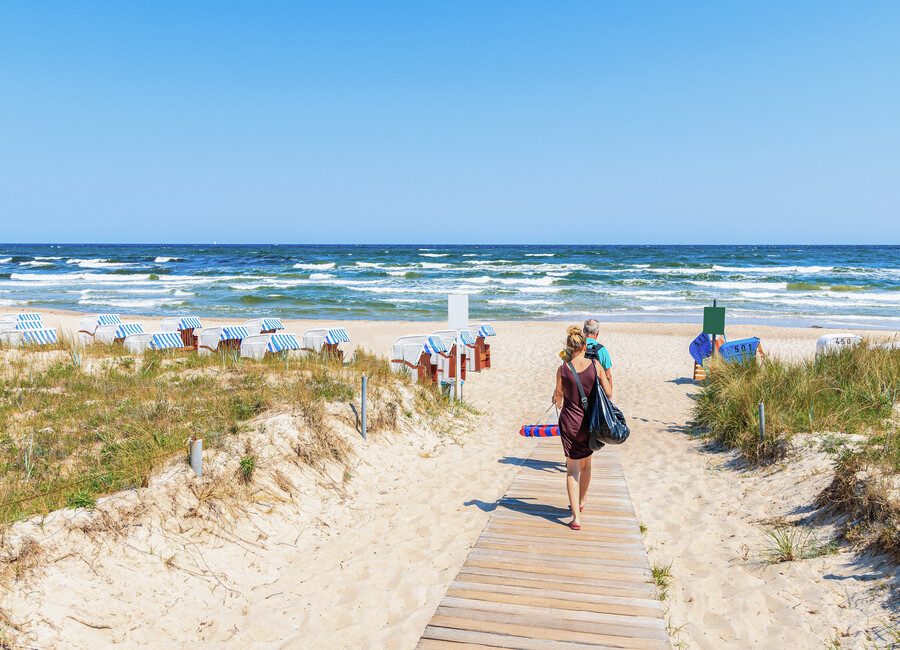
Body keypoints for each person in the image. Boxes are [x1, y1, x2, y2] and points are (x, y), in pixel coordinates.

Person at [552, 326, 613, 530]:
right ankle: (580, 501)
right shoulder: (595, 366)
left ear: (568, 348)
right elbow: (609, 392)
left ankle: (576, 518)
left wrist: (557, 398)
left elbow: (558, 396)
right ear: (585, 346)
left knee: (572, 469)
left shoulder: (563, 369)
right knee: (586, 465)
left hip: (569, 423)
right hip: (589, 423)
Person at [583, 318, 613, 395]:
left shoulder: (574, 347)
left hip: (575, 392)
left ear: (583, 331)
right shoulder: (602, 350)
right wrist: (609, 397)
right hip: (594, 393)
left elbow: (564, 370)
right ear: (598, 332)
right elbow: (608, 376)